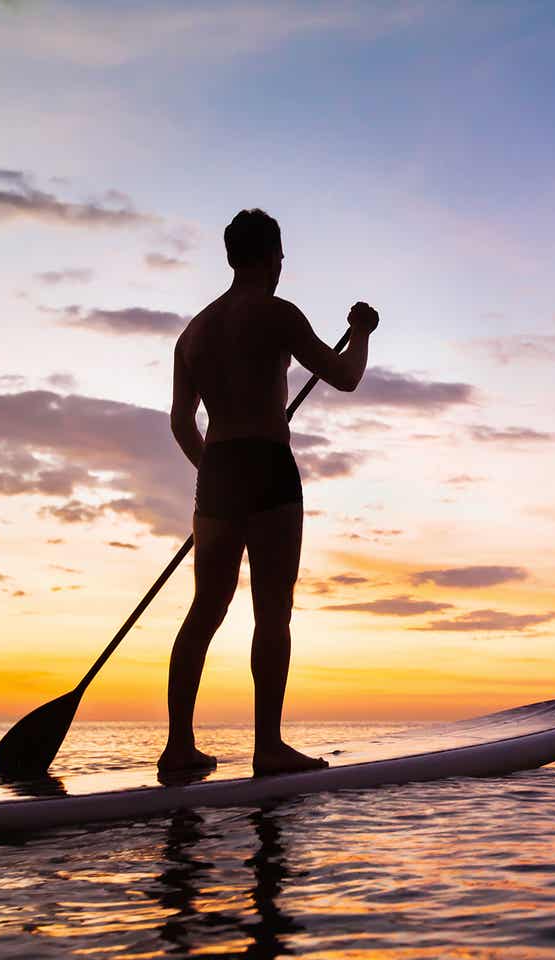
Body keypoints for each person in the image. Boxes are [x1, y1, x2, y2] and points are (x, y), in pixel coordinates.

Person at [160, 208, 378, 775]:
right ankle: (268, 747)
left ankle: (178, 748)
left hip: (220, 469)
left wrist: (213, 471)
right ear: (271, 257)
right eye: (281, 256)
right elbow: (347, 376)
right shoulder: (278, 313)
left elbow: (182, 423)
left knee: (205, 610)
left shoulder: (194, 333)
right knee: (272, 611)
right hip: (268, 465)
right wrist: (360, 334)